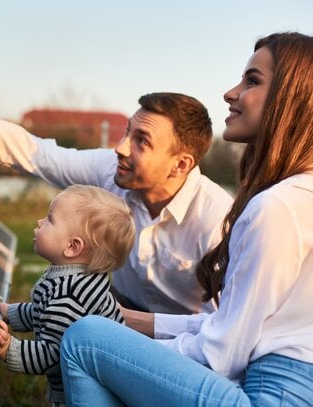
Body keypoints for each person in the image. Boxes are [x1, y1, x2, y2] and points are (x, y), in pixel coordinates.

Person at [0, 46, 233, 324]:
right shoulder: (111, 171)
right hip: (119, 313)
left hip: (187, 342)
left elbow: (225, 328)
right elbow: (32, 152)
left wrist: (118, 321)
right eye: (128, 130)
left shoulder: (217, 220)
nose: (121, 147)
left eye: (142, 140)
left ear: (181, 164)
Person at [59, 32, 313, 406]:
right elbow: (230, 323)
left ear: (291, 100)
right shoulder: (299, 197)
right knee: (102, 332)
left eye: (252, 80)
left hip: (269, 396)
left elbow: (222, 354)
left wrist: (127, 358)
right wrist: (123, 321)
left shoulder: (276, 207)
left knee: (84, 340)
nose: (231, 92)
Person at [0, 184, 134, 405]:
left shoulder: (69, 297)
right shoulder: (77, 278)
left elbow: (53, 354)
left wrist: (11, 349)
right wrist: (11, 312)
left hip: (83, 392)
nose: (39, 222)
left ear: (72, 247)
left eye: (49, 219)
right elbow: (43, 311)